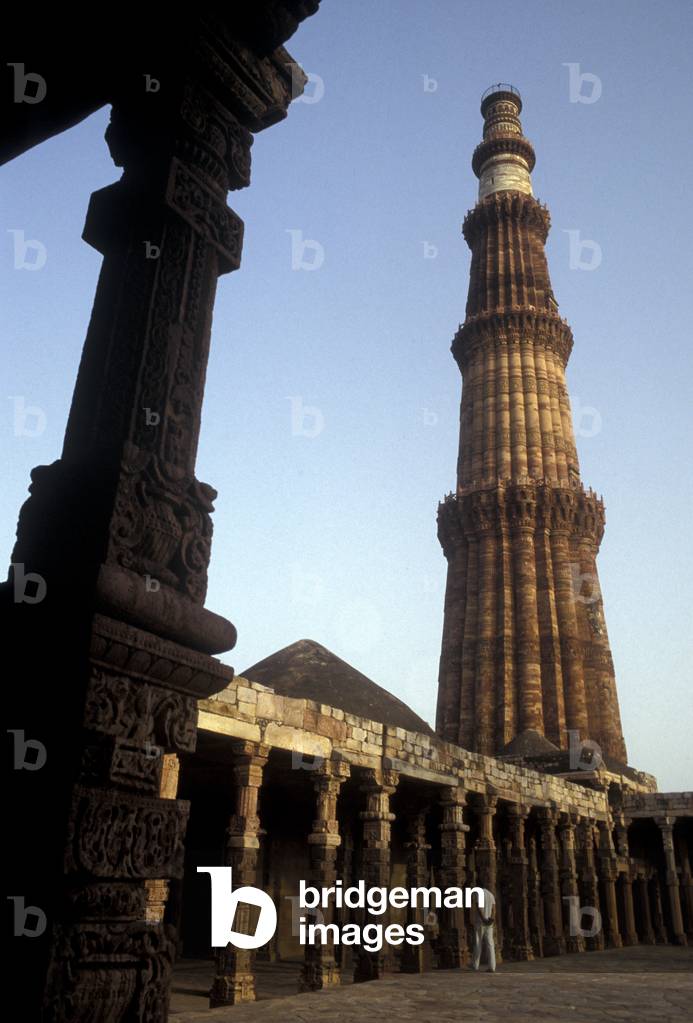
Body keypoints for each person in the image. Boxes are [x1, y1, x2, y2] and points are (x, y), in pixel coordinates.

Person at [470, 887, 496, 972]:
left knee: (478, 943)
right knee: (490, 944)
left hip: (480, 922)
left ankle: (475, 965)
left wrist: (483, 919)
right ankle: (492, 966)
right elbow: (493, 909)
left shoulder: (479, 894)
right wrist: (491, 919)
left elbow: (479, 908)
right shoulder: (491, 894)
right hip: (489, 922)